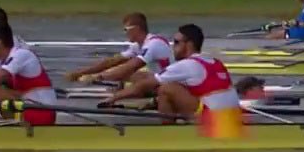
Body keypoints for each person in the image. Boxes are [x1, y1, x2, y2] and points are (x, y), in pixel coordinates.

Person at [99, 24, 240, 122]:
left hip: (213, 121)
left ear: (188, 44)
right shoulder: (215, 61)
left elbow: (145, 85)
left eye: (177, 42)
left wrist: (112, 99)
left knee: (165, 88)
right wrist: (153, 102)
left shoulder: (185, 65)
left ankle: (167, 131)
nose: (173, 47)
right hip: (231, 118)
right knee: (170, 87)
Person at [66, 12, 172, 84]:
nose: (124, 33)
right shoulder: (137, 45)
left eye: (126, 29)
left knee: (131, 74)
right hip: (161, 79)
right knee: (120, 71)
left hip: (172, 82)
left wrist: (97, 77)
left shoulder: (154, 44)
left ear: (137, 29)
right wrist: (81, 72)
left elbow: (129, 67)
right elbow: (112, 61)